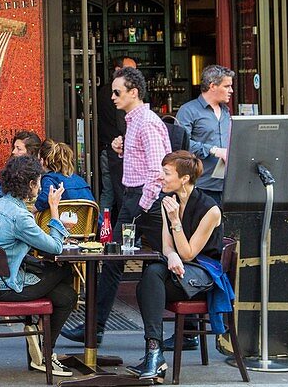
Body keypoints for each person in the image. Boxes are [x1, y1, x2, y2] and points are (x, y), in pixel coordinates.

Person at [63, 66, 169, 345]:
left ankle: (98, 329)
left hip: (146, 201)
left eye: (117, 91)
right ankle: (94, 328)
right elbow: (146, 161)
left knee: (162, 260)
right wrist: (124, 150)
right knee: (115, 262)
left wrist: (143, 205)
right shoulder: (133, 121)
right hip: (137, 199)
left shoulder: (145, 122)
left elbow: (159, 171)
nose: (111, 97)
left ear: (134, 93)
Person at [0, 155, 75, 378]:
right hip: (5, 287)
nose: (40, 186)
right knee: (64, 270)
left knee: (66, 295)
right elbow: (56, 247)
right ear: (30, 184)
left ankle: (42, 348)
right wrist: (54, 209)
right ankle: (45, 352)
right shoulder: (20, 215)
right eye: (38, 181)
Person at [131, 151, 225, 380]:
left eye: (166, 173)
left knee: (148, 283)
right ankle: (155, 352)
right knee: (151, 274)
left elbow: (189, 252)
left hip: (203, 274)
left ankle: (154, 354)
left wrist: (175, 222)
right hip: (180, 268)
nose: (161, 177)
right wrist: (171, 256)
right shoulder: (169, 202)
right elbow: (167, 247)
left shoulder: (210, 209)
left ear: (184, 178)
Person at [176, 65, 235, 203]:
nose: (231, 90)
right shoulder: (188, 111)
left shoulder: (226, 111)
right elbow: (181, 145)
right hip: (201, 185)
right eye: (227, 86)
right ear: (212, 86)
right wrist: (213, 150)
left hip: (227, 185)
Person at [99, 58, 137, 224]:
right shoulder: (119, 94)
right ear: (117, 70)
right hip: (117, 151)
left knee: (108, 193)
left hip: (106, 149)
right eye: (130, 70)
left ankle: (101, 229)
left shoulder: (103, 91)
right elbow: (123, 124)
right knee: (123, 194)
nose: (134, 75)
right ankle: (124, 231)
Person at [35, 140, 94, 211]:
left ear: (43, 161)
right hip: (86, 221)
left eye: (39, 160)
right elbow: (94, 209)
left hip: (62, 221)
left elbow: (45, 198)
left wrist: (32, 210)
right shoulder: (81, 181)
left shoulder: (49, 179)